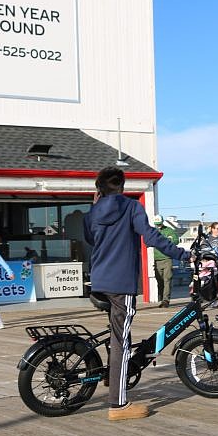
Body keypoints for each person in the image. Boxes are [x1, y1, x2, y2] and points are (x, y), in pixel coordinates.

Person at [84, 166, 190, 421]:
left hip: (98, 281)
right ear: (121, 186)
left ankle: (114, 379)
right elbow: (151, 237)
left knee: (117, 333)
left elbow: (89, 239)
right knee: (122, 341)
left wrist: (95, 207)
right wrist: (182, 254)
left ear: (99, 189)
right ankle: (118, 406)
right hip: (121, 284)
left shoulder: (92, 212)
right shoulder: (132, 208)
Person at [152, 214, 179, 308]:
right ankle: (161, 296)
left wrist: (168, 242)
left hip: (167, 258)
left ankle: (166, 300)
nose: (158, 226)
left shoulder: (169, 231)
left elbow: (176, 241)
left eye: (159, 224)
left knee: (167, 280)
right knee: (159, 280)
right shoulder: (153, 231)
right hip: (156, 259)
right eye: (157, 224)